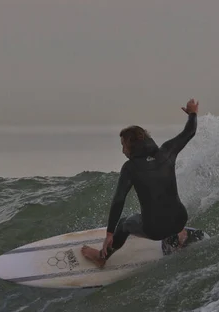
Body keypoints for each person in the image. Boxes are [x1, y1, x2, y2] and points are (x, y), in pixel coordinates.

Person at [81, 98, 199, 267]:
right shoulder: (166, 151)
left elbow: (119, 200)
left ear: (133, 146)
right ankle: (180, 235)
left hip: (155, 230)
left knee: (124, 224)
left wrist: (109, 234)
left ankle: (102, 258)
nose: (122, 151)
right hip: (181, 219)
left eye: (123, 145)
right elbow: (189, 132)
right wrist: (192, 113)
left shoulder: (131, 168)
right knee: (165, 207)